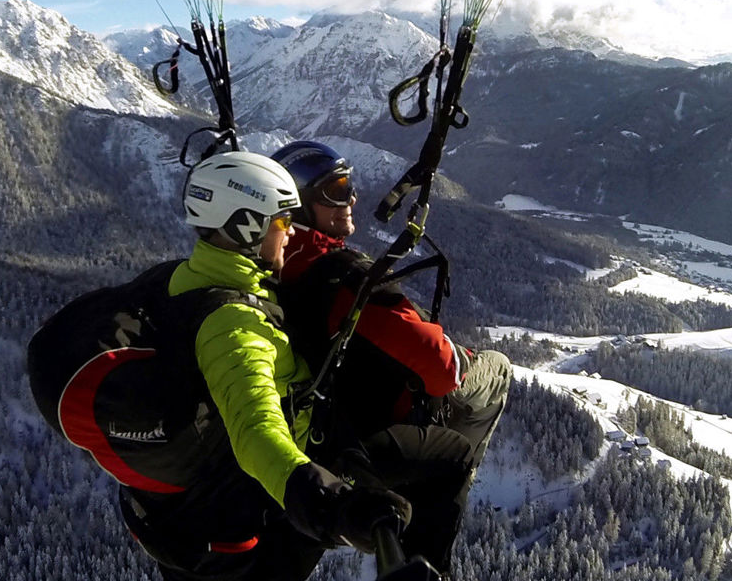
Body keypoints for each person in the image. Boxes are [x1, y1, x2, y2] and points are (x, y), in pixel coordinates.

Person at [120, 150, 412, 581]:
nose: (292, 232)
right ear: (246, 226)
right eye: (283, 221)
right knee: (446, 458)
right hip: (252, 516)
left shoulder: (186, 277)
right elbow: (256, 432)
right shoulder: (233, 326)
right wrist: (334, 505)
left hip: (197, 509)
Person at [268, 140, 513, 576]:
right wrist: (453, 354)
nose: (352, 198)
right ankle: (440, 508)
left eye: (350, 186)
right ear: (300, 205)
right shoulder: (344, 279)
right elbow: (442, 371)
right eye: (336, 191)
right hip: (362, 432)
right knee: (496, 373)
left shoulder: (270, 266)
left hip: (313, 425)